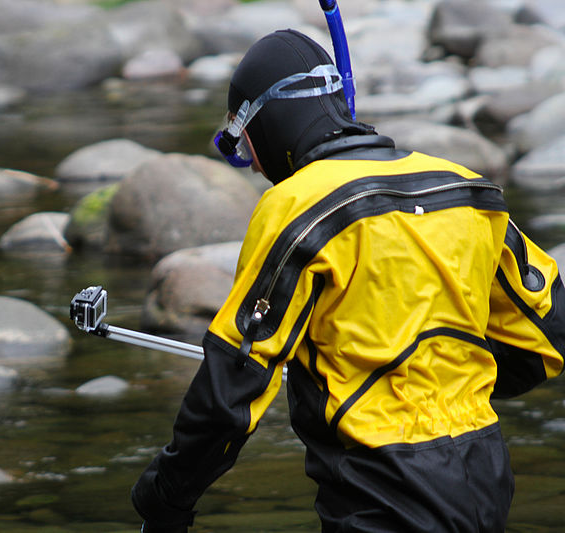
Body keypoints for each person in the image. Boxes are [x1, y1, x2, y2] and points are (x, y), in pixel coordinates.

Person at [130, 29, 565, 532]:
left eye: (242, 148)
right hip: (484, 479)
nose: (252, 166)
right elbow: (548, 337)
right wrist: (447, 381)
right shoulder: (465, 188)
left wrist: (164, 497)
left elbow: (231, 393)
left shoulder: (297, 207)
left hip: (379, 492)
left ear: (265, 124)